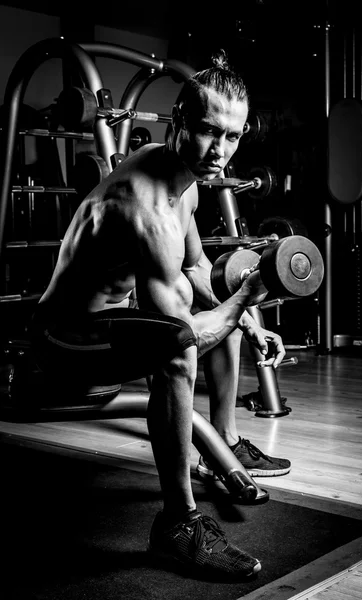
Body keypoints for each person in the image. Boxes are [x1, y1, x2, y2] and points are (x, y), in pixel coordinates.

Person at [28, 49, 289, 579]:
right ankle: (178, 524)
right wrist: (247, 299)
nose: (221, 151)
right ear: (179, 123)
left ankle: (225, 442)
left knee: (224, 306)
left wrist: (248, 317)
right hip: (61, 344)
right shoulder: (145, 206)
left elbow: (196, 271)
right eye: (209, 132)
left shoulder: (185, 180)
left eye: (233, 137)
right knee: (180, 347)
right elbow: (181, 331)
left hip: (103, 327)